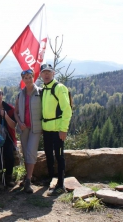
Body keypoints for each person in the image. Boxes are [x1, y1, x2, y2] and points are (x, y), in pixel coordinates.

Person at [40, 64, 72, 196]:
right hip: (47, 129)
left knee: (59, 156)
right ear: (41, 75)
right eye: (44, 73)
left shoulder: (59, 88)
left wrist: (63, 129)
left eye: (49, 72)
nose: (46, 75)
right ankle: (50, 179)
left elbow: (67, 110)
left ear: (53, 73)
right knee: (48, 154)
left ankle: (60, 184)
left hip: (58, 129)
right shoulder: (44, 88)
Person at [14, 69, 42, 194]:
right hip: (24, 128)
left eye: (30, 77)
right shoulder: (20, 94)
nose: (28, 79)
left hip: (36, 128)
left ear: (33, 78)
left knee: (31, 152)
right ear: (23, 80)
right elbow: (15, 111)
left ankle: (28, 181)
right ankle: (27, 178)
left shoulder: (40, 92)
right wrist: (20, 123)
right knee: (26, 153)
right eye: (25, 77)